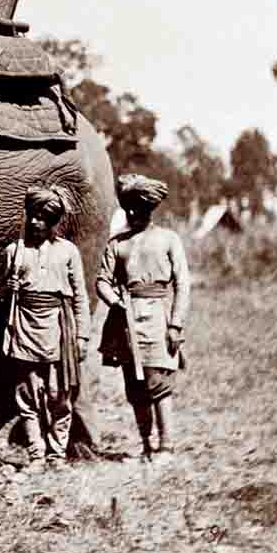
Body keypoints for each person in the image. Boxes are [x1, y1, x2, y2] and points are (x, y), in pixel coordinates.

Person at [96, 174, 191, 462]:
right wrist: (115, 301)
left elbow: (183, 283)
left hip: (158, 319)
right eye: (130, 208)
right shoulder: (118, 244)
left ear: (150, 208)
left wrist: (175, 325)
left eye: (141, 208)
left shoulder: (168, 239)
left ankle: (167, 447)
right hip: (126, 321)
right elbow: (102, 280)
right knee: (135, 385)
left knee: (158, 382)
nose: (134, 214)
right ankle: (146, 445)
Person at [0, 186, 90, 473]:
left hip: (58, 329)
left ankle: (57, 454)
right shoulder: (15, 251)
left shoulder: (67, 252)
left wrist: (82, 335)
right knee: (27, 394)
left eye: (44, 218)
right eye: (33, 216)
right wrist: (7, 288)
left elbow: (80, 296)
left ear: (54, 222)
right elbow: (1, 292)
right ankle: (36, 453)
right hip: (24, 326)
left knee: (57, 394)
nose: (36, 222)